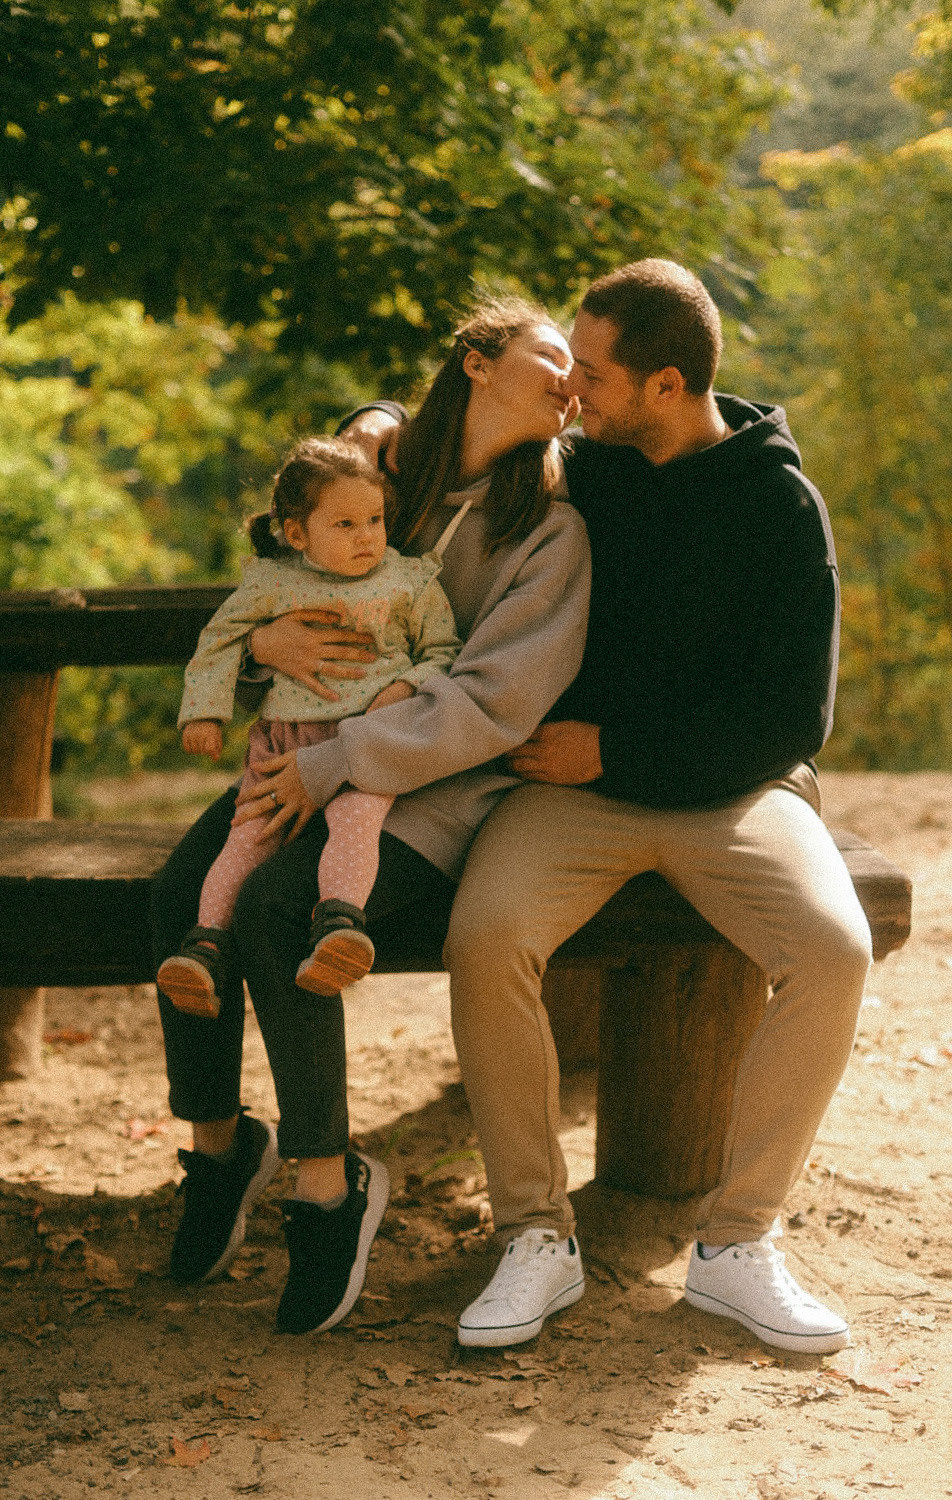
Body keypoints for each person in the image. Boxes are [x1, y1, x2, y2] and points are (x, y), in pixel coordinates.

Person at [346, 260, 871, 1355]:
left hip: (734, 795)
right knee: (485, 937)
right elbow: (452, 419)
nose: (569, 390)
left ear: (667, 383)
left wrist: (615, 748)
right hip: (562, 797)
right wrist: (373, 421)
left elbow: (792, 715)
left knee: (833, 951)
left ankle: (735, 1247)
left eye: (590, 371)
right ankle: (535, 1236)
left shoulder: (777, 504)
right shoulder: (576, 471)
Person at [151, 296, 592, 1337]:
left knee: (275, 907)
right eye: (550, 353)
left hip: (435, 790)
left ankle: (322, 1183)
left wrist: (349, 760)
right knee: (180, 893)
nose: (570, 376)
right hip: (302, 751)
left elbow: (496, 701)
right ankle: (220, 1154)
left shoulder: (549, 528)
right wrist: (264, 648)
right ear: (477, 361)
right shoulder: (386, 477)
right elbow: (284, 569)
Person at [156, 436, 461, 1014]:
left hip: (367, 742)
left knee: (354, 821)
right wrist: (204, 710)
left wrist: (407, 685)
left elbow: (444, 651)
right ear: (298, 535)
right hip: (285, 741)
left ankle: (339, 927)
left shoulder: (410, 581)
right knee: (248, 836)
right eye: (345, 524)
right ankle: (206, 946)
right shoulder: (272, 582)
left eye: (375, 520)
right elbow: (219, 640)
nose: (367, 536)